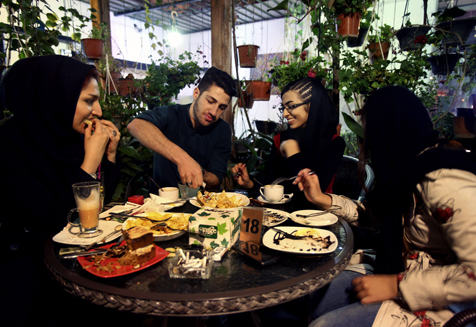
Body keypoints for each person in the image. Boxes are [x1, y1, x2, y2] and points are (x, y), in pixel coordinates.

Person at [294, 86, 476, 327]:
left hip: (445, 305)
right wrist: (322, 199)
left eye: (370, 132)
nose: (367, 142)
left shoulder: (443, 179)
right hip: (399, 267)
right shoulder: (409, 169)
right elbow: (375, 214)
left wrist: (396, 285)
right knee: (310, 295)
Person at [0, 55, 121, 326]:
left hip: (71, 259)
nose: (99, 112)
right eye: (89, 100)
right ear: (53, 95)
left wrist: (110, 154)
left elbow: (97, 203)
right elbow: (61, 217)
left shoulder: (67, 137)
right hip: (20, 271)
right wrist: (90, 161)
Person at [231, 77, 345, 208]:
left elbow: (311, 198)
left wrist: (293, 153)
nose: (285, 113)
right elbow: (271, 186)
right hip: (279, 215)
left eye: (291, 106)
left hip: (317, 219)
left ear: (313, 104)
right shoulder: (280, 139)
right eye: (284, 107)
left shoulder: (334, 143)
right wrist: (249, 184)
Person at [127, 67, 237, 192]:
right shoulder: (171, 114)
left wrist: (198, 171)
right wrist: (183, 159)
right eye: (210, 101)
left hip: (200, 204)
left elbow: (216, 179)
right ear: (196, 93)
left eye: (221, 107)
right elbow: (135, 125)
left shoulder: (222, 129)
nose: (214, 112)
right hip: (160, 205)